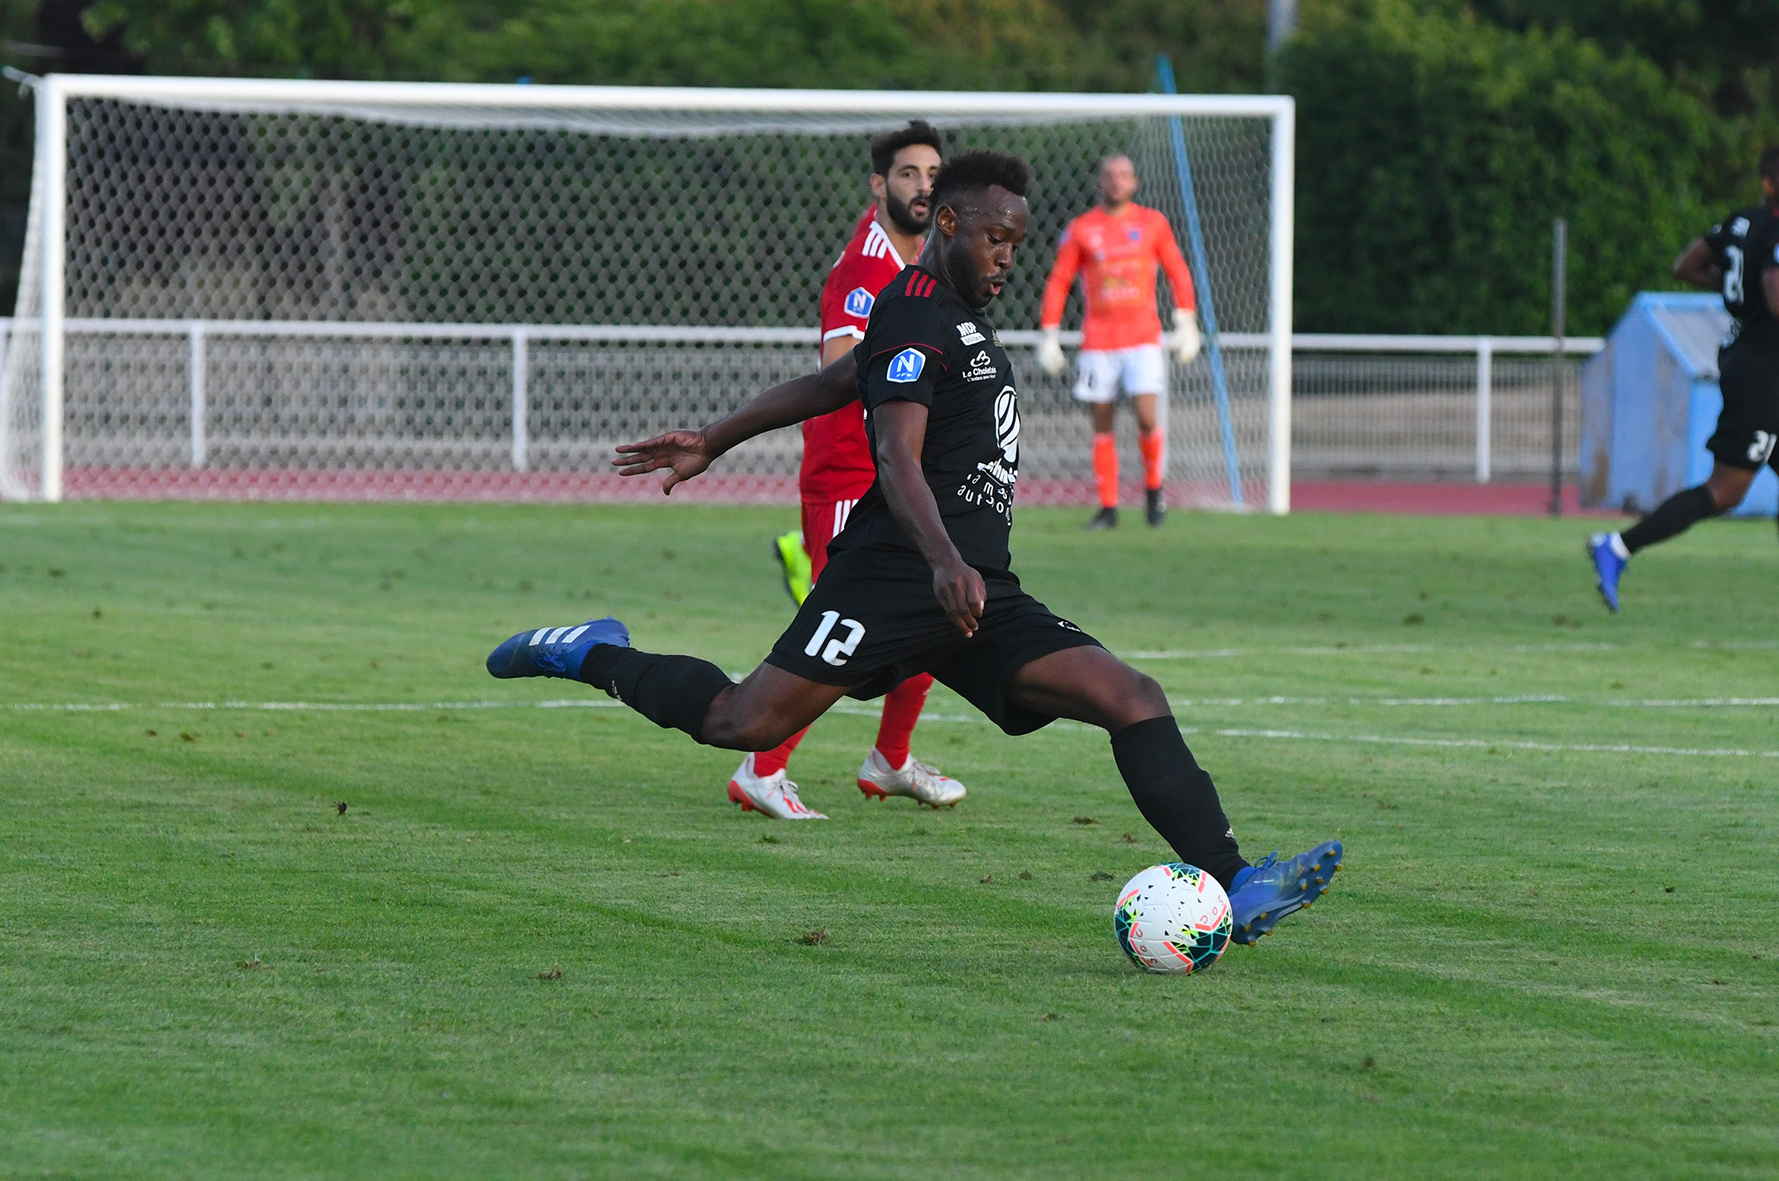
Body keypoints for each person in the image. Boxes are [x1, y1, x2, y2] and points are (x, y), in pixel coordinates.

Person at [488, 150, 1342, 946]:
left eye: (1017, 240)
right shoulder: (915, 309)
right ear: (946, 226)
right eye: (993, 237)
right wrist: (940, 560)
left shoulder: (954, 317)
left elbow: (831, 381)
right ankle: (593, 651)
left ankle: (1235, 880)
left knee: (1129, 692)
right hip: (894, 576)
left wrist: (715, 435)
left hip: (975, 587)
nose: (1008, 255)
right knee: (739, 720)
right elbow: (892, 454)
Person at [742, 121, 965, 821]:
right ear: (879, 184)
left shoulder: (925, 262)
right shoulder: (865, 270)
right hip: (849, 475)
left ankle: (890, 760)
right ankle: (761, 767)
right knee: (851, 627)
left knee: (937, 610)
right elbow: (844, 369)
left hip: (897, 473)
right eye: (907, 173)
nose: (922, 185)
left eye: (932, 173)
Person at [1588, 147, 1779, 610]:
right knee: (1726, 491)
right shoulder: (1775, 229)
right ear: (1770, 184)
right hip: (1763, 377)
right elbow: (1777, 301)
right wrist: (1758, 287)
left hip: (1751, 361)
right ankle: (1616, 547)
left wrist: (1740, 286)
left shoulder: (1738, 224)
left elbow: (1686, 266)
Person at [1035, 154, 1201, 530]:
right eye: (1110, 175)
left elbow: (1177, 269)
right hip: (1098, 341)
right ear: (1100, 182)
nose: (1116, 181)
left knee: (1146, 417)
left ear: (1134, 182)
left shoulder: (1152, 223)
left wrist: (1186, 318)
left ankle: (1154, 492)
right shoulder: (1082, 229)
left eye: (1124, 174)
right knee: (1102, 422)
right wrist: (1049, 331)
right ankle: (1108, 507)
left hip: (1142, 337)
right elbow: (1059, 280)